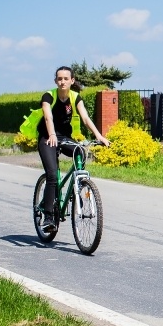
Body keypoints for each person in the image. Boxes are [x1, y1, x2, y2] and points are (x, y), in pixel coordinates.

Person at [38, 66, 110, 231]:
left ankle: (77, 188)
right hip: (47, 138)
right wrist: (52, 135)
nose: (62, 82)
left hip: (64, 138)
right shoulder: (49, 96)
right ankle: (48, 217)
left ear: (72, 81)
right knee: (52, 175)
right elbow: (48, 117)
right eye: (59, 79)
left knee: (80, 152)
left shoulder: (75, 97)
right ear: (56, 81)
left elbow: (85, 118)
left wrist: (99, 136)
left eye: (65, 79)